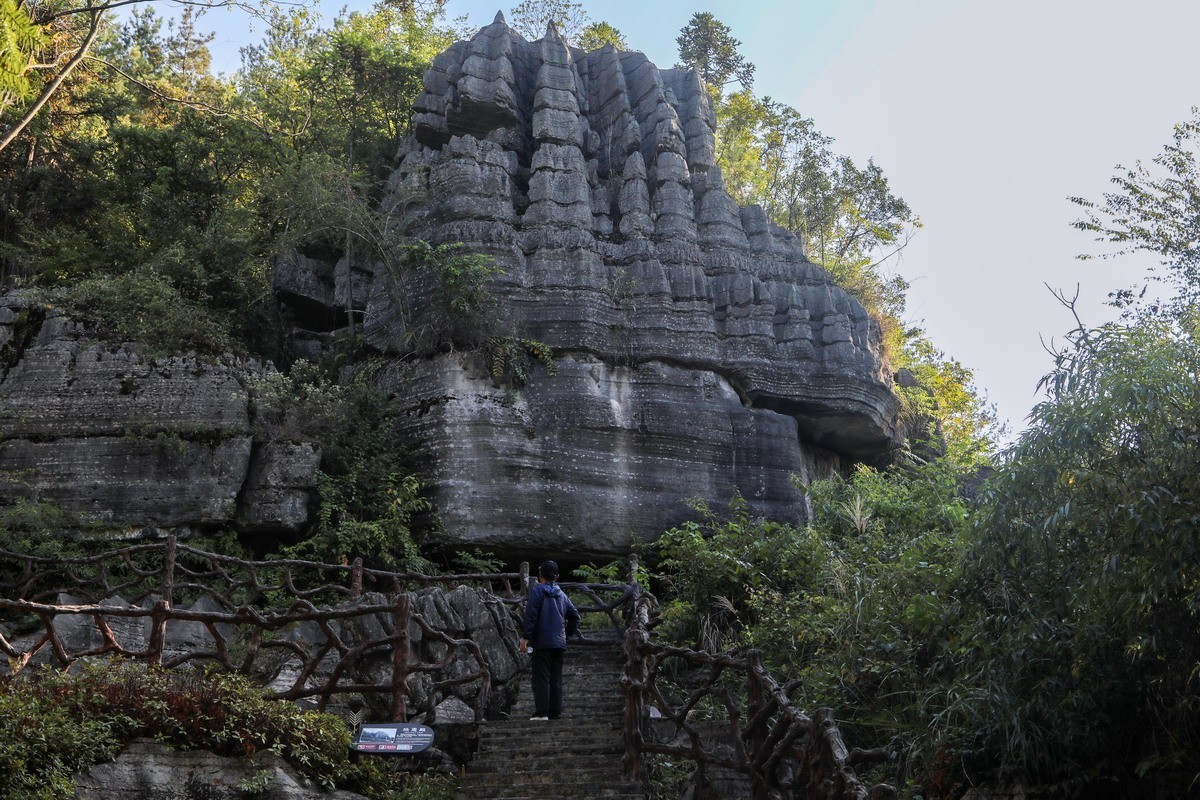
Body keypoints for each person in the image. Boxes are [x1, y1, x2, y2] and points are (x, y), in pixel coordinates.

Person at [519, 560, 580, 721]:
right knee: (555, 678)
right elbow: (575, 617)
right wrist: (566, 635)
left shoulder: (537, 592)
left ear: (541, 576)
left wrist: (526, 637)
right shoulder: (562, 595)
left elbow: (531, 615)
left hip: (542, 642)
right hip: (559, 644)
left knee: (541, 677)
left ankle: (542, 712)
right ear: (557, 577)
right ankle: (555, 712)